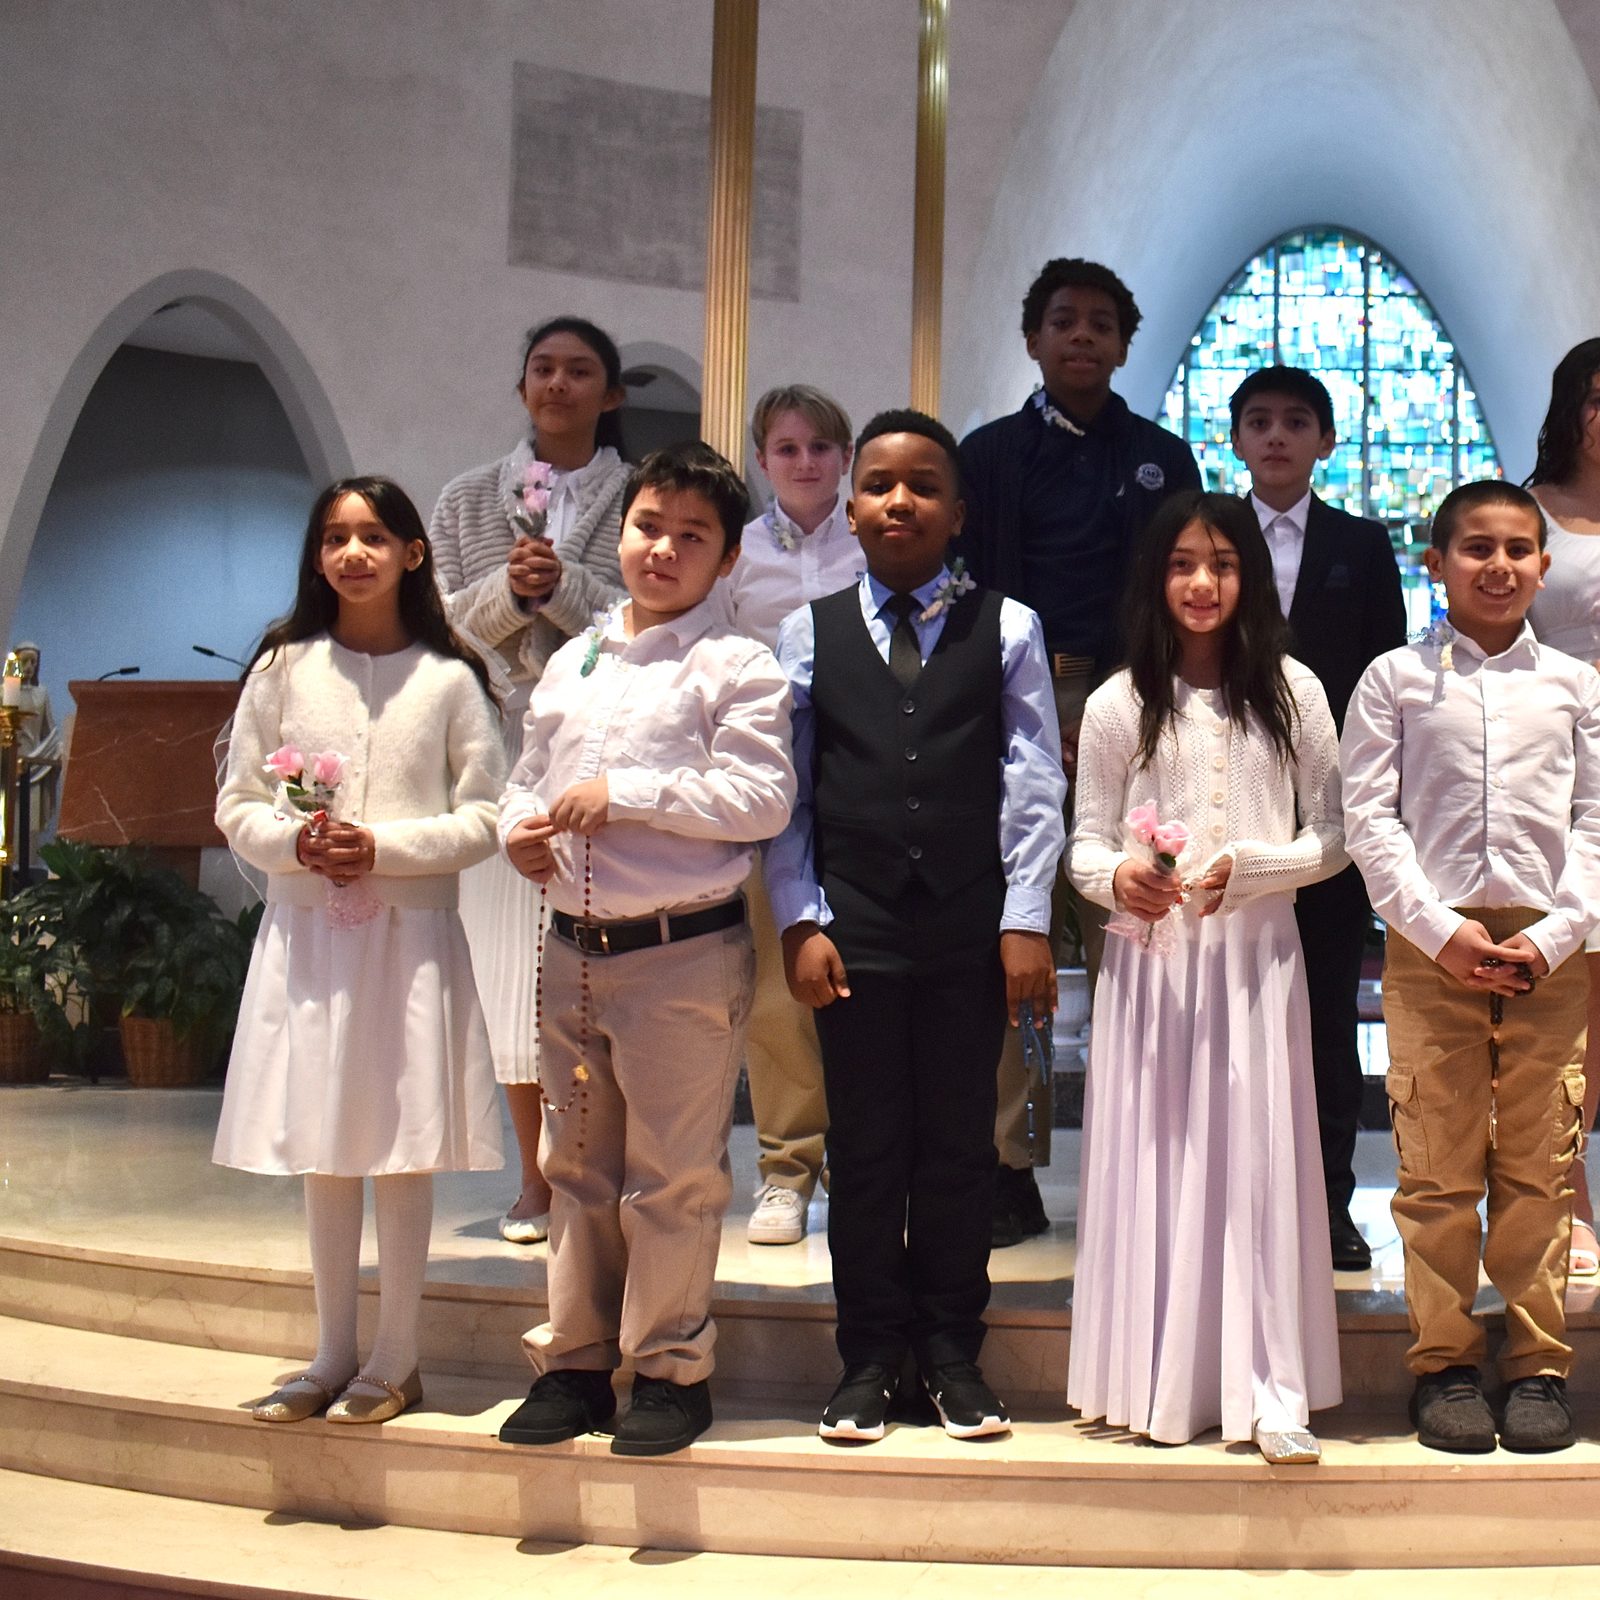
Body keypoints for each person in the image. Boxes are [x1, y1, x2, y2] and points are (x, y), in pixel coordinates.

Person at [768, 409, 1065, 1443]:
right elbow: (788, 796)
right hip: (850, 928)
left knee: (955, 1147)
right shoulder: (805, 632)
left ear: (958, 509)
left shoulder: (1010, 627)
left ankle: (949, 1349)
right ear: (849, 507)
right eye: (880, 483)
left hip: (966, 926)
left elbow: (1032, 787)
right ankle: (866, 1355)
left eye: (923, 484)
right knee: (866, 1145)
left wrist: (1025, 918)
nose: (900, 500)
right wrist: (798, 919)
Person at [495, 443, 794, 1458]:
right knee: (574, 1166)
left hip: (680, 950)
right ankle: (575, 1362)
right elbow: (524, 778)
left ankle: (669, 1367)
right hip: (572, 943)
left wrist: (628, 795)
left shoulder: (739, 664)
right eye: (646, 526)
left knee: (671, 1174)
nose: (662, 549)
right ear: (619, 531)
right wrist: (518, 832)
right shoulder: (575, 657)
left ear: (728, 557)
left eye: (690, 536)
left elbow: (760, 800)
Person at [214, 476, 506, 1426]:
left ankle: (397, 1354)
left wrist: (382, 846)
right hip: (309, 938)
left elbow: (487, 816)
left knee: (400, 1146)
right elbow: (238, 803)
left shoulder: (449, 677)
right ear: (316, 557)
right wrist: (292, 842)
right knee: (325, 1149)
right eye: (335, 537)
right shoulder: (283, 669)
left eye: (375, 535)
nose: (354, 553)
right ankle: (330, 1351)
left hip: (408, 936)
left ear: (413, 553)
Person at [1067, 490, 1344, 1461]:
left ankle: (1271, 1387)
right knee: (1160, 1156)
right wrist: (1119, 879)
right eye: (1183, 562)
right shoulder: (1117, 702)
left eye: (1221, 564)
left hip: (1257, 959)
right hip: (1154, 970)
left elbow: (1336, 836)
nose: (1200, 582)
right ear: (1155, 575)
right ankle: (1154, 1376)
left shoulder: (1294, 690)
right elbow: (1083, 845)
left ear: (1250, 578)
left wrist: (1259, 867)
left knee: (1257, 1164)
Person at [1342, 479, 1600, 1455]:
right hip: (1430, 942)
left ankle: (1536, 1363)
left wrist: (1554, 932)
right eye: (1474, 548)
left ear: (1542, 564)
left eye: (1516, 549)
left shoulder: (1577, 687)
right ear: (1436, 563)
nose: (1496, 565)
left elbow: (1596, 821)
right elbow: (1370, 818)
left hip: (1548, 944)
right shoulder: (1395, 680)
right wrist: (1435, 927)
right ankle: (1443, 1360)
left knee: (1539, 1162)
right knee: (1436, 1165)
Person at [958, 258, 1202, 1247]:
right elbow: (971, 590)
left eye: (1102, 323)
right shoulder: (987, 454)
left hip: (1132, 702)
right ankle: (1008, 1163)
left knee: (1131, 935)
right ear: (1032, 338)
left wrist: (1106, 702)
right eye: (1064, 321)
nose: (1083, 337)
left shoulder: (1158, 456)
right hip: (1008, 702)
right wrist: (1030, 703)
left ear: (1124, 343)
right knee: (1011, 940)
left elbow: (1179, 584)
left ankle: (1133, 1155)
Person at [430, 315, 630, 1246]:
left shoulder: (641, 495)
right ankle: (536, 1178)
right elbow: (437, 628)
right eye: (543, 369)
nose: (559, 383)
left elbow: (653, 612)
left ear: (612, 393)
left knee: (592, 973)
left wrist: (565, 589)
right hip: (496, 752)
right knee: (508, 974)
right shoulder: (467, 498)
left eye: (580, 370)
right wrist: (510, 594)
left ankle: (598, 1167)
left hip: (601, 754)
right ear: (522, 389)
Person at [1230, 365, 1407, 1271]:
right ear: (1235, 440)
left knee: (1327, 1022)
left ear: (1325, 441)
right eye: (1257, 421)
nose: (1276, 436)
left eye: (1296, 422)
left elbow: (1386, 683)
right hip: (1228, 800)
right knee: (1227, 1019)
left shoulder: (1361, 543)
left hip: (1331, 812)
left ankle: (1330, 1207)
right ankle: (1231, 1212)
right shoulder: (1211, 536)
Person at [718, 384, 858, 1245]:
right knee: (777, 989)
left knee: (859, 983)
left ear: (844, 457)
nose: (805, 463)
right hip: (770, 785)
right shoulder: (735, 555)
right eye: (786, 448)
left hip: (860, 783)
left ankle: (860, 1158)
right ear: (761, 460)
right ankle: (786, 1166)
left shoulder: (876, 541)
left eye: (821, 446)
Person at [1525, 337, 1600, 1280]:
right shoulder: (1528, 513)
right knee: (1575, 991)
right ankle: (1566, 1189)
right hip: (1564, 767)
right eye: (1595, 396)